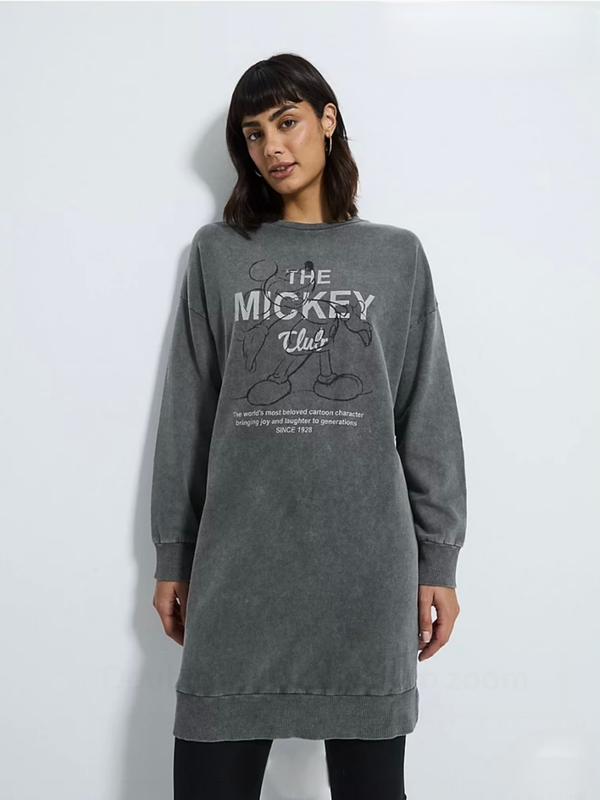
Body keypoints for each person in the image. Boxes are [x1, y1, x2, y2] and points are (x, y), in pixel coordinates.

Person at [151, 53, 467, 800]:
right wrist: (173, 552)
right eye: (253, 134)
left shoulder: (396, 256)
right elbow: (190, 410)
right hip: (239, 567)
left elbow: (426, 413)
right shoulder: (219, 254)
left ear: (328, 122)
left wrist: (439, 560)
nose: (272, 147)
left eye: (287, 122)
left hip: (366, 570)